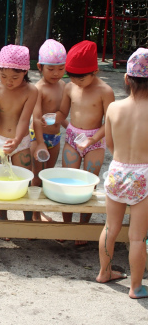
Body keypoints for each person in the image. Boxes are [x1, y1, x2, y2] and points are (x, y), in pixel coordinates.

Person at [96, 48, 148, 299]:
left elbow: (111, 145)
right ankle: (136, 287)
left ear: (126, 79)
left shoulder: (114, 108)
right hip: (144, 177)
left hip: (117, 171)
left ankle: (104, 272)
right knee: (137, 237)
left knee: (110, 227)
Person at [55, 40, 115, 245]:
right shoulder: (70, 87)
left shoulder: (105, 91)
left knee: (88, 184)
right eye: (72, 77)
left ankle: (82, 229)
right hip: (73, 138)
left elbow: (110, 122)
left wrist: (93, 139)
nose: (76, 81)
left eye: (81, 77)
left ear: (95, 71)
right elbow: (63, 112)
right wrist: (54, 118)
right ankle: (67, 226)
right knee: (68, 182)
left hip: (95, 141)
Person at [0, 45, 37, 226]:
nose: (9, 81)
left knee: (24, 181)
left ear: (25, 72)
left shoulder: (31, 91)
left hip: (20, 141)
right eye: (3, 76)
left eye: (15, 77)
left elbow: (24, 120)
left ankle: (27, 222)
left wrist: (16, 141)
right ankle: (3, 222)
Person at [30, 39, 68, 222]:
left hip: (55, 137)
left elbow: (62, 114)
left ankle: (41, 211)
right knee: (36, 177)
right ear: (40, 66)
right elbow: (36, 118)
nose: (56, 73)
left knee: (48, 175)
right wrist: (39, 143)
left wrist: (71, 129)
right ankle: (33, 215)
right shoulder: (38, 89)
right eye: (51, 69)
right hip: (38, 137)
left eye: (61, 68)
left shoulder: (63, 86)